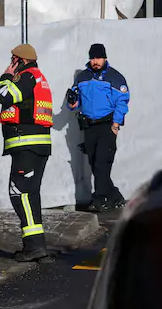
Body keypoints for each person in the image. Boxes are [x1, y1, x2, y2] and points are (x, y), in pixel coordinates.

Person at [0, 43, 54, 262]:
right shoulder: (39, 77)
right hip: (37, 145)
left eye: (13, 60)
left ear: (20, 60)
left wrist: (5, 76)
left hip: (26, 144)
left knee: (19, 193)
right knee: (30, 194)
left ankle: (34, 246)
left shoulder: (26, 77)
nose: (11, 63)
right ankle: (36, 245)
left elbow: (5, 96)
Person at [67, 42, 129, 212]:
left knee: (102, 163)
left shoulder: (114, 77)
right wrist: (72, 101)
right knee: (95, 165)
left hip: (107, 126)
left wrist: (116, 124)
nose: (95, 61)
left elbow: (122, 102)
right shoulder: (82, 77)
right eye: (92, 58)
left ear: (105, 58)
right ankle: (115, 196)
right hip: (89, 126)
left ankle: (99, 199)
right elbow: (75, 104)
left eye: (98, 58)